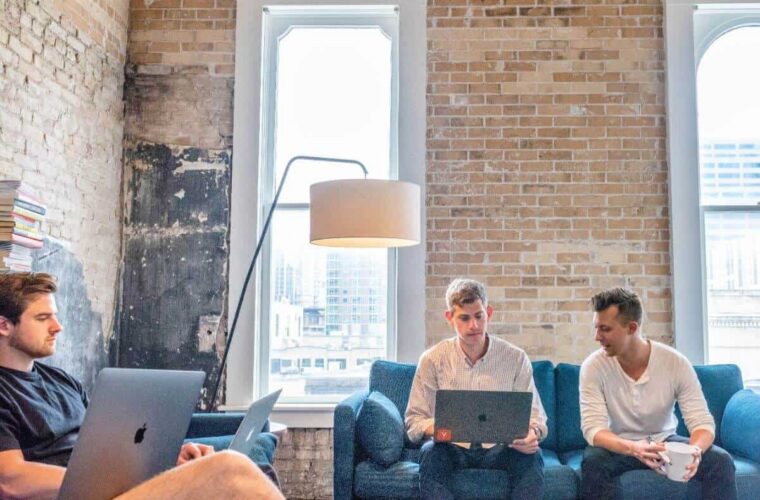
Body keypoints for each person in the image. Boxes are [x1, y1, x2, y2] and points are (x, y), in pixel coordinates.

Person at [0, 271, 284, 500]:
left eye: (55, 315)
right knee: (230, 469)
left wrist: (166, 458)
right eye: (42, 318)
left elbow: (106, 446)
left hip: (114, 487)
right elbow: (11, 480)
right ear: (4, 326)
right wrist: (109, 478)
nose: (57, 326)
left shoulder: (62, 381)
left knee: (256, 471)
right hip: (82, 493)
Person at [579, 287, 737, 500]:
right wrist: (633, 448)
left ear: (632, 328)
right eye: (596, 328)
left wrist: (695, 451)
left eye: (605, 329)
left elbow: (702, 423)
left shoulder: (675, 363)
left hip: (664, 442)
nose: (597, 336)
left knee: (720, 461)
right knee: (593, 462)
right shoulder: (593, 366)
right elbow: (593, 430)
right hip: (619, 445)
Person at [405, 278, 547, 500]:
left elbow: (536, 418)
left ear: (488, 313)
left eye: (479, 316)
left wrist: (532, 434)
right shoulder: (432, 360)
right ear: (449, 318)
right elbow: (414, 421)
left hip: (501, 448)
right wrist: (440, 427)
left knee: (533, 455)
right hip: (450, 447)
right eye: (464, 318)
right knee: (430, 452)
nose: (474, 325)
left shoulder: (515, 358)